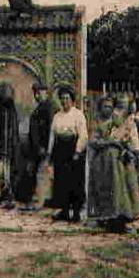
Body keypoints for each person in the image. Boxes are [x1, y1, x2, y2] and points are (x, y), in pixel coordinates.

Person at [86, 95, 139, 232]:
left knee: (120, 189)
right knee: (106, 189)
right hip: (103, 162)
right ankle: (105, 219)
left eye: (110, 107)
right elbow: (93, 141)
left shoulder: (117, 121)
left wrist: (126, 148)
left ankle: (121, 218)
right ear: (100, 107)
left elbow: (126, 137)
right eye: (105, 106)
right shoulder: (96, 122)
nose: (108, 109)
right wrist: (109, 142)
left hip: (118, 163)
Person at [47, 85, 88, 222]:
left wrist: (77, 151)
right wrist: (50, 152)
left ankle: (75, 212)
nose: (65, 101)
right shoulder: (57, 116)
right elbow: (52, 136)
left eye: (67, 98)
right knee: (61, 182)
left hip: (73, 150)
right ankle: (64, 211)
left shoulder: (78, 115)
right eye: (62, 98)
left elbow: (83, 135)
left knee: (75, 182)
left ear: (72, 100)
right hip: (60, 151)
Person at [27, 82, 57, 209]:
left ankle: (40, 201)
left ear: (45, 92)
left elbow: (50, 129)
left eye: (40, 92)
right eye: (36, 93)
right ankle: (41, 200)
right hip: (37, 147)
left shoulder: (48, 108)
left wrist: (45, 148)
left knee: (43, 174)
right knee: (40, 173)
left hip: (43, 148)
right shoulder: (40, 107)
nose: (37, 95)